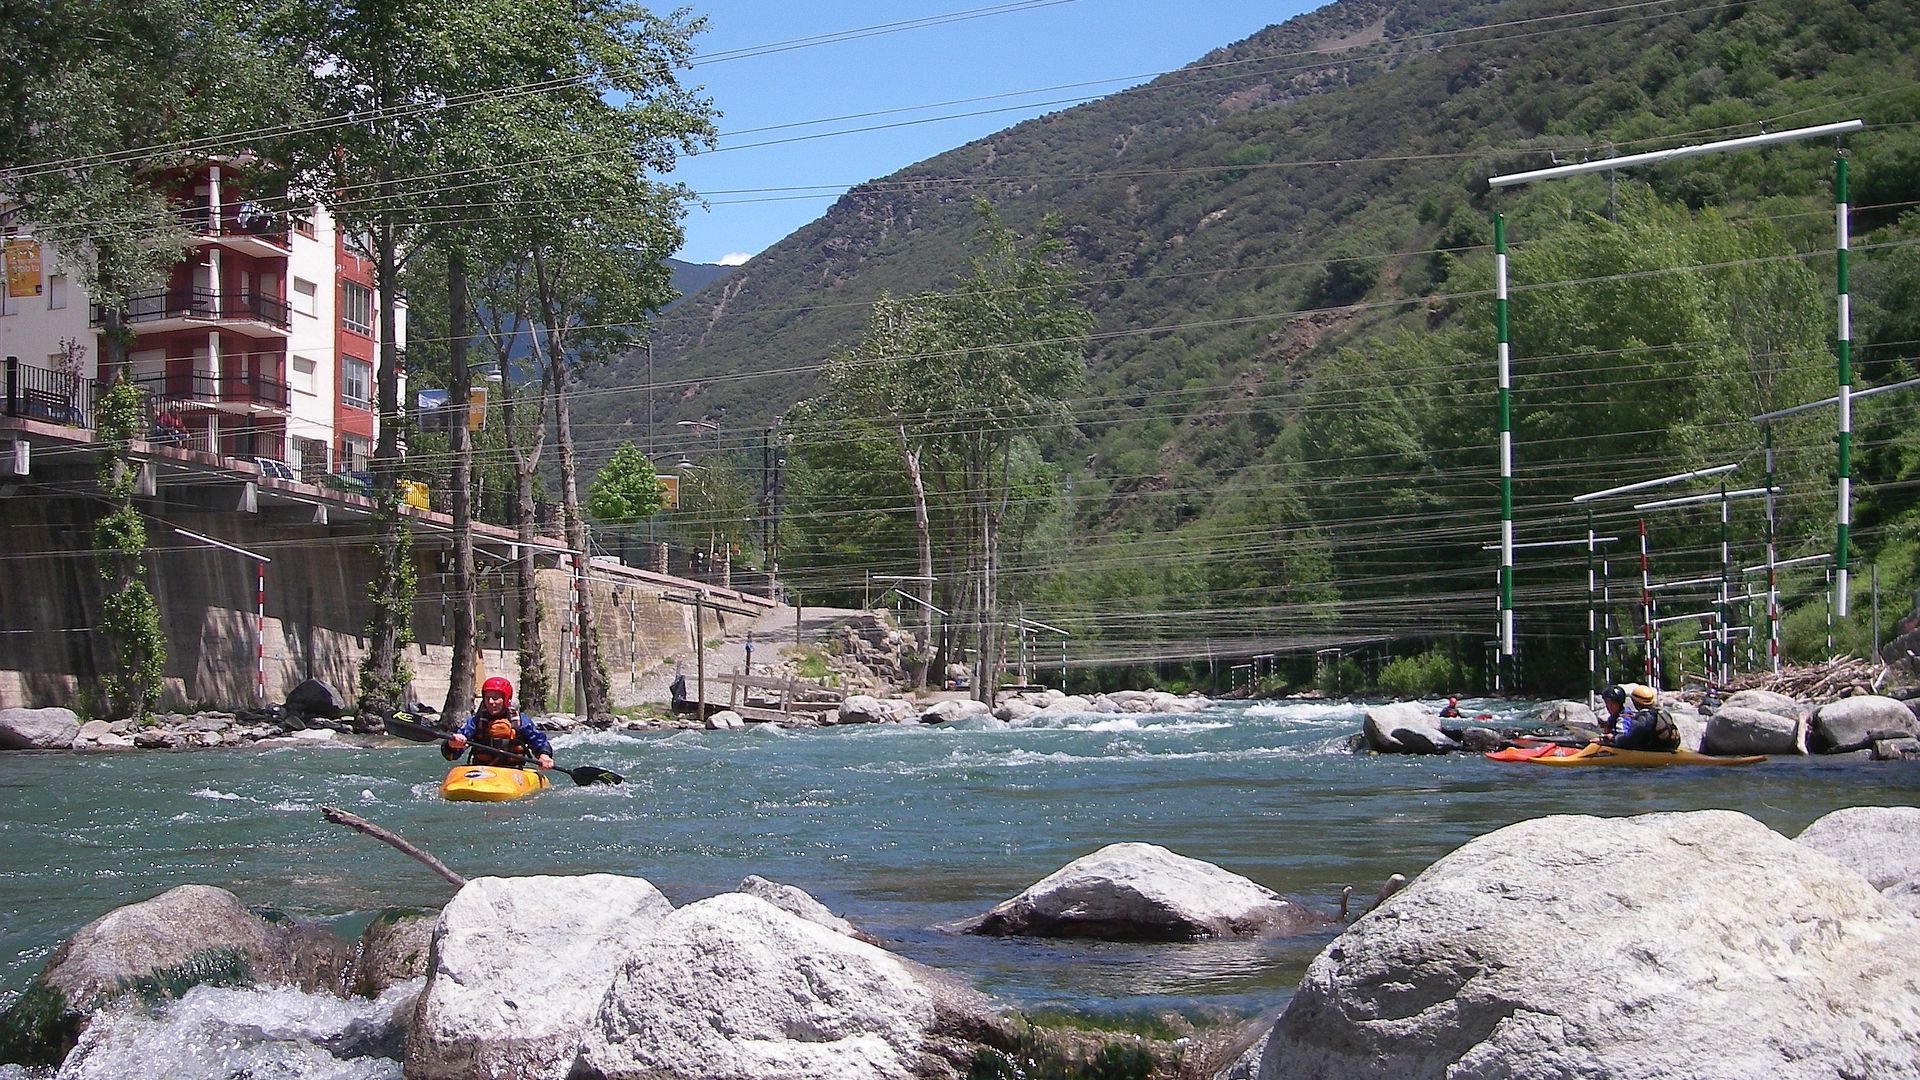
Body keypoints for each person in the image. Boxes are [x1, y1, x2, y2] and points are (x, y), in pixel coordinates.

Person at [443, 676, 554, 770]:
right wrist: (452, 744)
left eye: (495, 698)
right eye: (487, 698)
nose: (491, 702)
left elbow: (538, 740)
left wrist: (544, 755)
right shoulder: (476, 722)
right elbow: (451, 755)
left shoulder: (520, 721)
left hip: (512, 771)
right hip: (482, 770)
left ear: (506, 699)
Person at [1599, 683, 1679, 751]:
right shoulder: (1662, 712)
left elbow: (1629, 740)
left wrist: (1612, 739)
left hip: (1656, 749)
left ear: (1635, 702)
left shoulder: (1644, 717)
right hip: (1667, 747)